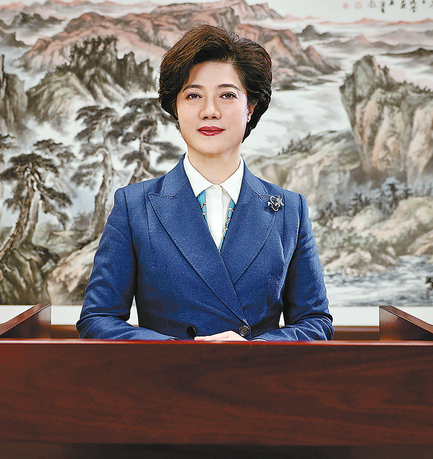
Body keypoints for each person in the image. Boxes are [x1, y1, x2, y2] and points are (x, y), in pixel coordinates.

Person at [76, 25, 333, 341]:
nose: (210, 111)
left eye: (227, 95)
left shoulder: (289, 209)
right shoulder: (134, 206)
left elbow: (315, 322)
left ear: (250, 108)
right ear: (176, 108)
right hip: (169, 372)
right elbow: (97, 319)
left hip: (257, 372)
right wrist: (181, 352)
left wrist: (253, 349)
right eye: (193, 95)